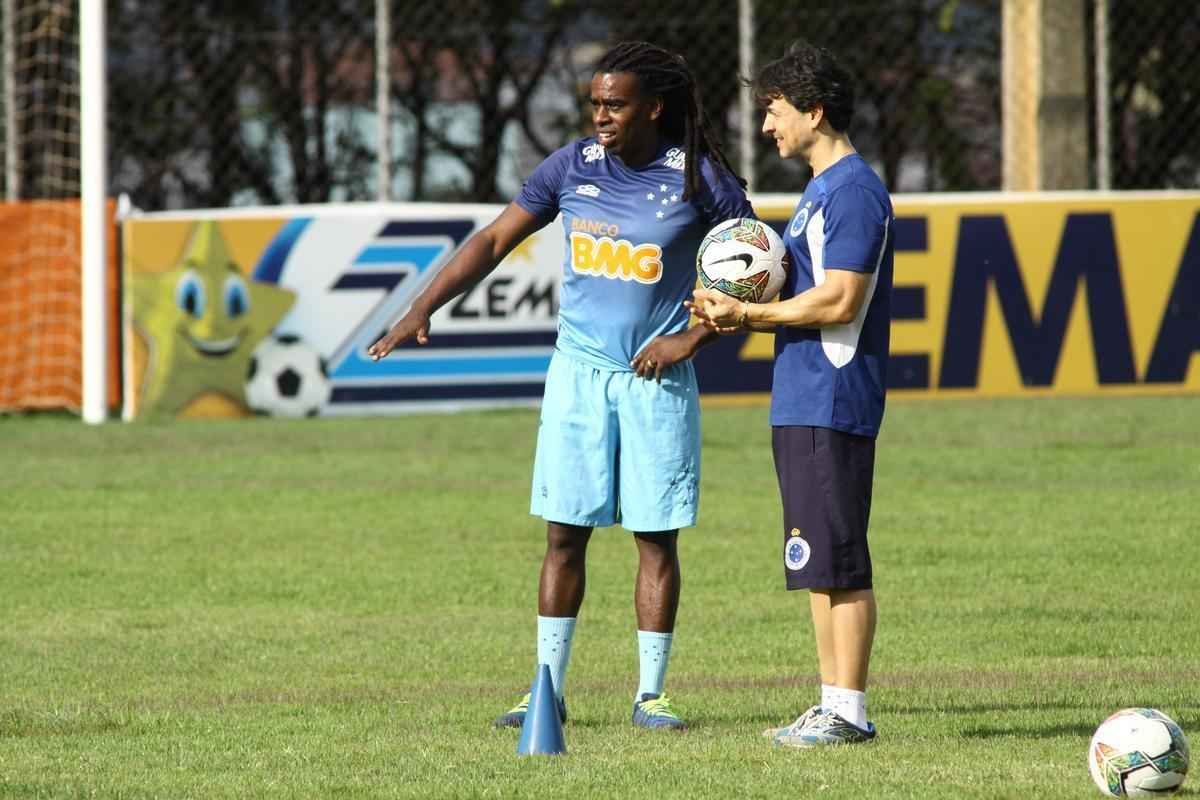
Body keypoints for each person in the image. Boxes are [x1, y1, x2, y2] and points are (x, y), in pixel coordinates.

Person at [368, 41, 752, 731]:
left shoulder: (700, 177)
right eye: (595, 103)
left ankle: (651, 696)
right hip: (577, 377)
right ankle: (545, 689)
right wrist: (422, 307)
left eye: (615, 104)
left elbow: (755, 272)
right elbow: (493, 241)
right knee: (563, 536)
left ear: (653, 108)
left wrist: (692, 338)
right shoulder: (571, 166)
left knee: (655, 540)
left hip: (655, 383)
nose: (601, 115)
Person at [688, 40, 894, 747]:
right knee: (817, 561)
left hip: (833, 396)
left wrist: (747, 314)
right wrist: (731, 301)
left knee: (842, 560)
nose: (766, 126)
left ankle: (850, 712)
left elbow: (840, 299)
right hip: (803, 397)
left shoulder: (854, 192)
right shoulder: (819, 191)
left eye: (774, 110)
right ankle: (831, 703)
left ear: (815, 110)